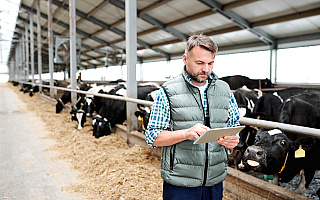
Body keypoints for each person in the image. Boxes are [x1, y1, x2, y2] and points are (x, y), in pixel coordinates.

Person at [145, 34, 240, 200]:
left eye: (210, 63)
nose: (206, 69)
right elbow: (152, 137)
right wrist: (185, 133)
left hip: (214, 181)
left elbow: (233, 127)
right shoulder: (168, 91)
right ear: (185, 59)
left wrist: (233, 140)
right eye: (200, 63)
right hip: (181, 183)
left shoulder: (225, 90)